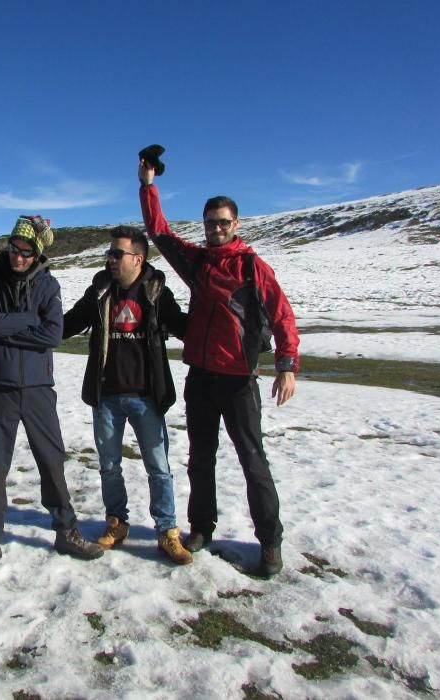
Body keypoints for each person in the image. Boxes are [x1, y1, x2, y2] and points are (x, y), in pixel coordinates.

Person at [138, 157, 300, 576]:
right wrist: (147, 185)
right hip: (202, 378)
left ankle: (270, 543)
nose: (216, 228)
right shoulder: (199, 262)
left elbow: (282, 314)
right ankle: (201, 528)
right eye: (211, 222)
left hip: (239, 381)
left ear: (236, 224)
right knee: (200, 458)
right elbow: (160, 233)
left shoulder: (251, 266)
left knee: (253, 462)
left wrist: (287, 365)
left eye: (223, 222)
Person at [0, 215, 103, 570]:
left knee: (52, 462)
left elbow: (53, 334)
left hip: (39, 389)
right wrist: (30, 319)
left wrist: (6, 327)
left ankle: (66, 530)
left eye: (27, 252)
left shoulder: (48, 284)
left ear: (38, 253)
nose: (19, 257)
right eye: (15, 248)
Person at [62, 225, 192, 564]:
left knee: (159, 467)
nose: (111, 259)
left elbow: (179, 323)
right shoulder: (100, 290)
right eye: (110, 253)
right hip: (107, 396)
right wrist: (33, 331)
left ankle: (167, 531)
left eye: (117, 254)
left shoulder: (155, 291)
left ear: (138, 257)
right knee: (109, 466)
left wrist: (216, 328)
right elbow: (71, 322)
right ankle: (116, 523)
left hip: (147, 397)